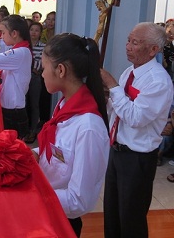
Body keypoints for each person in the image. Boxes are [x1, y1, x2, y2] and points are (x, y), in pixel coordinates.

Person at [100, 22, 173, 238]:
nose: (128, 46)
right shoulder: (130, 72)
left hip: (137, 158)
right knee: (112, 212)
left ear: (153, 50)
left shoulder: (158, 81)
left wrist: (113, 87)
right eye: (128, 41)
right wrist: (106, 97)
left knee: (131, 218)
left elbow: (135, 117)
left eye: (135, 42)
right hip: (117, 150)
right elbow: (119, 109)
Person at [33, 33, 110, 237]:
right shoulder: (65, 104)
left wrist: (32, 197)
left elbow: (79, 200)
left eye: (44, 67)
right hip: (46, 208)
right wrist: (32, 153)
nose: (41, 74)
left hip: (62, 220)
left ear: (60, 70)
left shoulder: (88, 128)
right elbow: (58, 147)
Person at [23, 22, 46, 143]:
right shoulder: (24, 45)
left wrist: (30, 66)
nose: (33, 32)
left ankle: (33, 131)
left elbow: (40, 64)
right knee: (23, 103)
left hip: (35, 78)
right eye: (32, 29)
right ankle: (24, 130)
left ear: (40, 33)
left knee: (34, 104)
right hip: (23, 77)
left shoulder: (43, 46)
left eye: (37, 30)